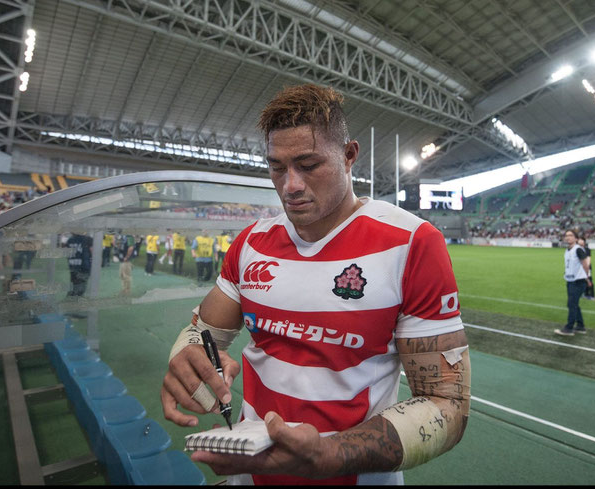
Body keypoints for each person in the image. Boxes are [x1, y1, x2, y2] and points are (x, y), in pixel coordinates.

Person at [160, 83, 470, 484]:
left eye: (308, 165)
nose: (290, 185)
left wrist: (330, 453)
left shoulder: (411, 242)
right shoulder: (252, 242)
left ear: (348, 155)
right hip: (249, 475)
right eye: (277, 167)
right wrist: (184, 358)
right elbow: (202, 334)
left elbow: (447, 403)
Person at [554, 229, 592, 336]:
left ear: (576, 238)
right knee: (574, 304)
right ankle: (580, 326)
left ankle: (569, 328)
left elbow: (585, 264)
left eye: (570, 235)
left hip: (578, 281)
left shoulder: (578, 249)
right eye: (566, 235)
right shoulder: (567, 250)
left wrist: (587, 278)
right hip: (570, 281)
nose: (568, 237)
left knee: (572, 304)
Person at [66, 232, 94, 297]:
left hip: (73, 266)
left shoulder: (70, 240)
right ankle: (76, 299)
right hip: (84, 267)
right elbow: (93, 251)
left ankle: (72, 297)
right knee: (81, 287)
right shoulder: (88, 239)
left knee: (74, 284)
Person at [117, 232, 135, 296]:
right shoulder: (122, 236)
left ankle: (127, 291)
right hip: (122, 259)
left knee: (126, 276)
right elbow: (119, 245)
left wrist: (127, 257)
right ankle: (124, 289)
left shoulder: (129, 236)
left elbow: (131, 248)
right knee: (121, 275)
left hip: (126, 260)